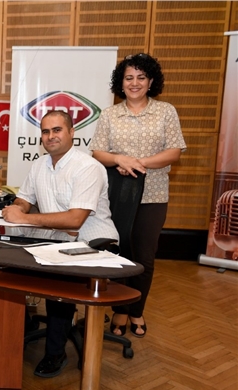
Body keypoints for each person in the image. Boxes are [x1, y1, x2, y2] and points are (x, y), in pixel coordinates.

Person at [2, 110, 118, 378]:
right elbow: (24, 198)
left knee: (58, 280)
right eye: (45, 131)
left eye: (57, 130)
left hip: (92, 242)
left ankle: (55, 353)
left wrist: (25, 218)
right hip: (54, 239)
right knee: (7, 261)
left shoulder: (88, 167)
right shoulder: (39, 165)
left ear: (72, 132)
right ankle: (24, 326)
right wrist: (17, 208)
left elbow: (75, 220)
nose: (50, 136)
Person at [90, 53, 186, 338]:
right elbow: (98, 152)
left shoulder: (165, 111)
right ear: (121, 83)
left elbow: (174, 152)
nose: (134, 83)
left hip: (152, 196)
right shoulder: (109, 114)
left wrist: (137, 163)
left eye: (141, 77)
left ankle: (136, 310)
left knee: (145, 257)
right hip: (116, 196)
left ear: (151, 81)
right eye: (129, 78)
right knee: (120, 253)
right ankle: (120, 309)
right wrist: (119, 158)